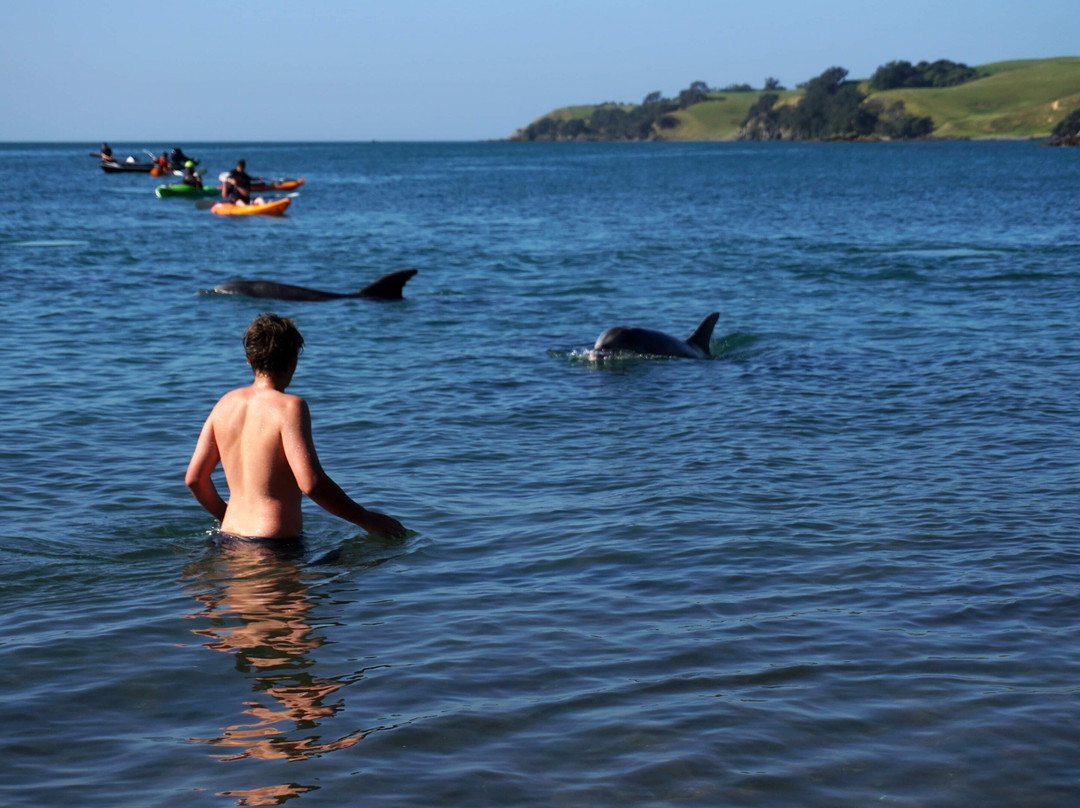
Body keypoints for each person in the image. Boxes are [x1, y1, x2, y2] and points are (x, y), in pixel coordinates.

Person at [185, 313, 405, 542]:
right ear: (293, 362)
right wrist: (366, 518)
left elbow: (194, 479)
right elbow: (311, 484)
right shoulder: (290, 407)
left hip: (228, 538)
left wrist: (228, 515)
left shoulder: (225, 404)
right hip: (273, 544)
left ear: (249, 360)